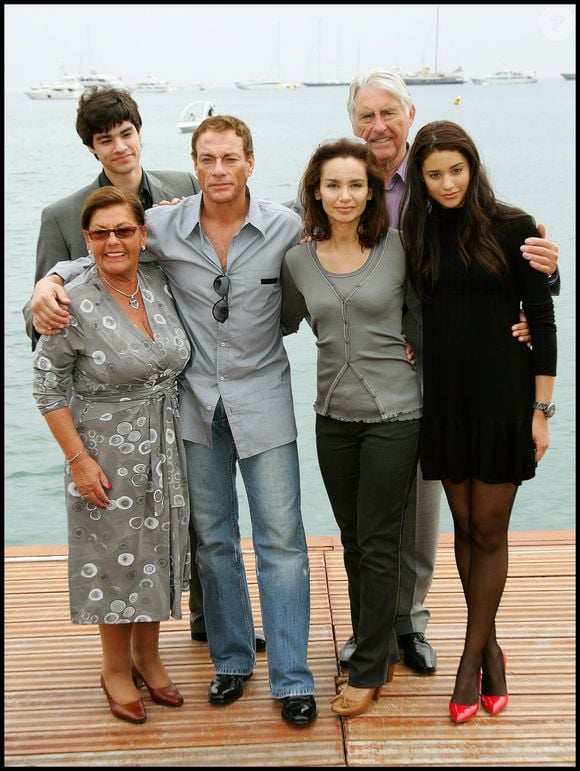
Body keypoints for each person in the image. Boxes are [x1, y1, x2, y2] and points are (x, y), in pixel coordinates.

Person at [29, 115, 317, 727]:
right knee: (214, 542)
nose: (218, 171)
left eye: (230, 159)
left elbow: (336, 269)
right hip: (192, 410)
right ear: (193, 162)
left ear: (250, 162)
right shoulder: (161, 224)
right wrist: (47, 282)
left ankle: (292, 677)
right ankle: (232, 662)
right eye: (207, 159)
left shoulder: (286, 227)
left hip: (265, 401)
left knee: (283, 545)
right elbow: (105, 254)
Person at [332, 67, 561, 675]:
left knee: (436, 516)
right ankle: (378, 628)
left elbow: (500, 257)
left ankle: (416, 626)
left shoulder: (440, 180)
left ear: (408, 116)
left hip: (463, 381)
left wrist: (546, 276)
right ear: (352, 125)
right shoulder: (344, 182)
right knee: (389, 515)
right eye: (365, 116)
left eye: (388, 113)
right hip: (380, 375)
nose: (377, 126)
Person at [21, 84, 264, 650]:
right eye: (105, 140)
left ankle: (215, 623)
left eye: (126, 134)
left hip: (189, 385)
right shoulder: (62, 215)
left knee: (203, 519)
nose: (119, 147)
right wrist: (47, 282)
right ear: (92, 149)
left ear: (139, 132)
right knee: (123, 532)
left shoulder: (185, 189)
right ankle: (130, 651)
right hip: (112, 405)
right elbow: (49, 322)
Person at [400, 120, 557, 722]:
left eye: (456, 170)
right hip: (445, 400)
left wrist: (540, 412)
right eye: (434, 173)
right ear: (421, 177)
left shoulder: (513, 227)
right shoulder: (414, 233)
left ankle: (470, 663)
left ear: (473, 166)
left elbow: (540, 322)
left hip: (501, 399)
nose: (446, 184)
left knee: (490, 528)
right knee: (464, 527)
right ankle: (491, 648)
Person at [32, 187, 191, 724]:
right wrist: (78, 461)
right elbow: (47, 387)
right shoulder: (69, 302)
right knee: (113, 559)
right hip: (103, 450)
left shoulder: (159, 283)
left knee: (156, 552)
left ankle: (149, 656)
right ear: (86, 241)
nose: (113, 241)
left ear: (143, 235)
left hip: (165, 446)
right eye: (100, 233)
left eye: (124, 230)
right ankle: (114, 668)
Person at [281, 138, 422, 716]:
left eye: (356, 185)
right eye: (333, 184)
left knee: (380, 540)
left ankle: (367, 670)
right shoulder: (296, 259)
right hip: (331, 418)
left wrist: (534, 297)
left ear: (372, 192)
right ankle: (380, 643)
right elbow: (279, 322)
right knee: (353, 539)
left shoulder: (400, 248)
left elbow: (435, 310)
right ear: (316, 190)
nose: (345, 195)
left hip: (396, 414)